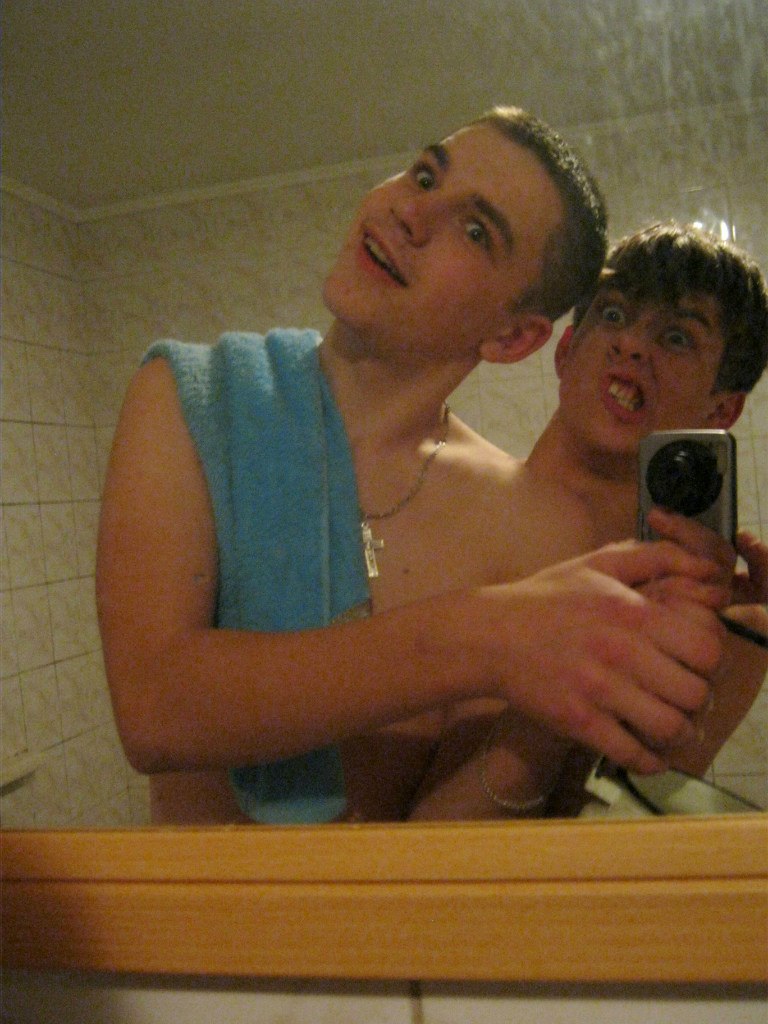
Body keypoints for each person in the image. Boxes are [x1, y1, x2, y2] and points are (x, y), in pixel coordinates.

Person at [97, 111, 728, 826]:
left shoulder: (536, 527)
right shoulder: (195, 400)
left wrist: (546, 719)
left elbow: (450, 838)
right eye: (426, 175)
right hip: (193, 899)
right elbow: (154, 708)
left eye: (476, 230)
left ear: (512, 337)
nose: (412, 211)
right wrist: (486, 637)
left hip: (400, 901)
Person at [410, 222, 768, 820]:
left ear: (722, 409)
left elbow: (607, 831)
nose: (631, 345)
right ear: (566, 350)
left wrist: (715, 649)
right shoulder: (444, 496)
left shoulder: (725, 622)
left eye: (676, 337)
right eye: (614, 314)